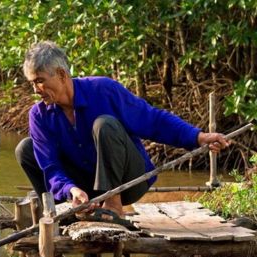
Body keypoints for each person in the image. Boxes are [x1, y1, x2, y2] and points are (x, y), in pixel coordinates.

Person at [15, 40, 229, 219]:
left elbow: (152, 120)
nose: (35, 90)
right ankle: (65, 213)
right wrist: (71, 190)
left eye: (40, 81)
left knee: (104, 124)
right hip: (84, 189)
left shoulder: (103, 90)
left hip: (127, 182)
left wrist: (198, 137)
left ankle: (113, 206)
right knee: (25, 149)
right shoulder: (39, 116)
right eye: (32, 83)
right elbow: (51, 168)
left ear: (61, 75)